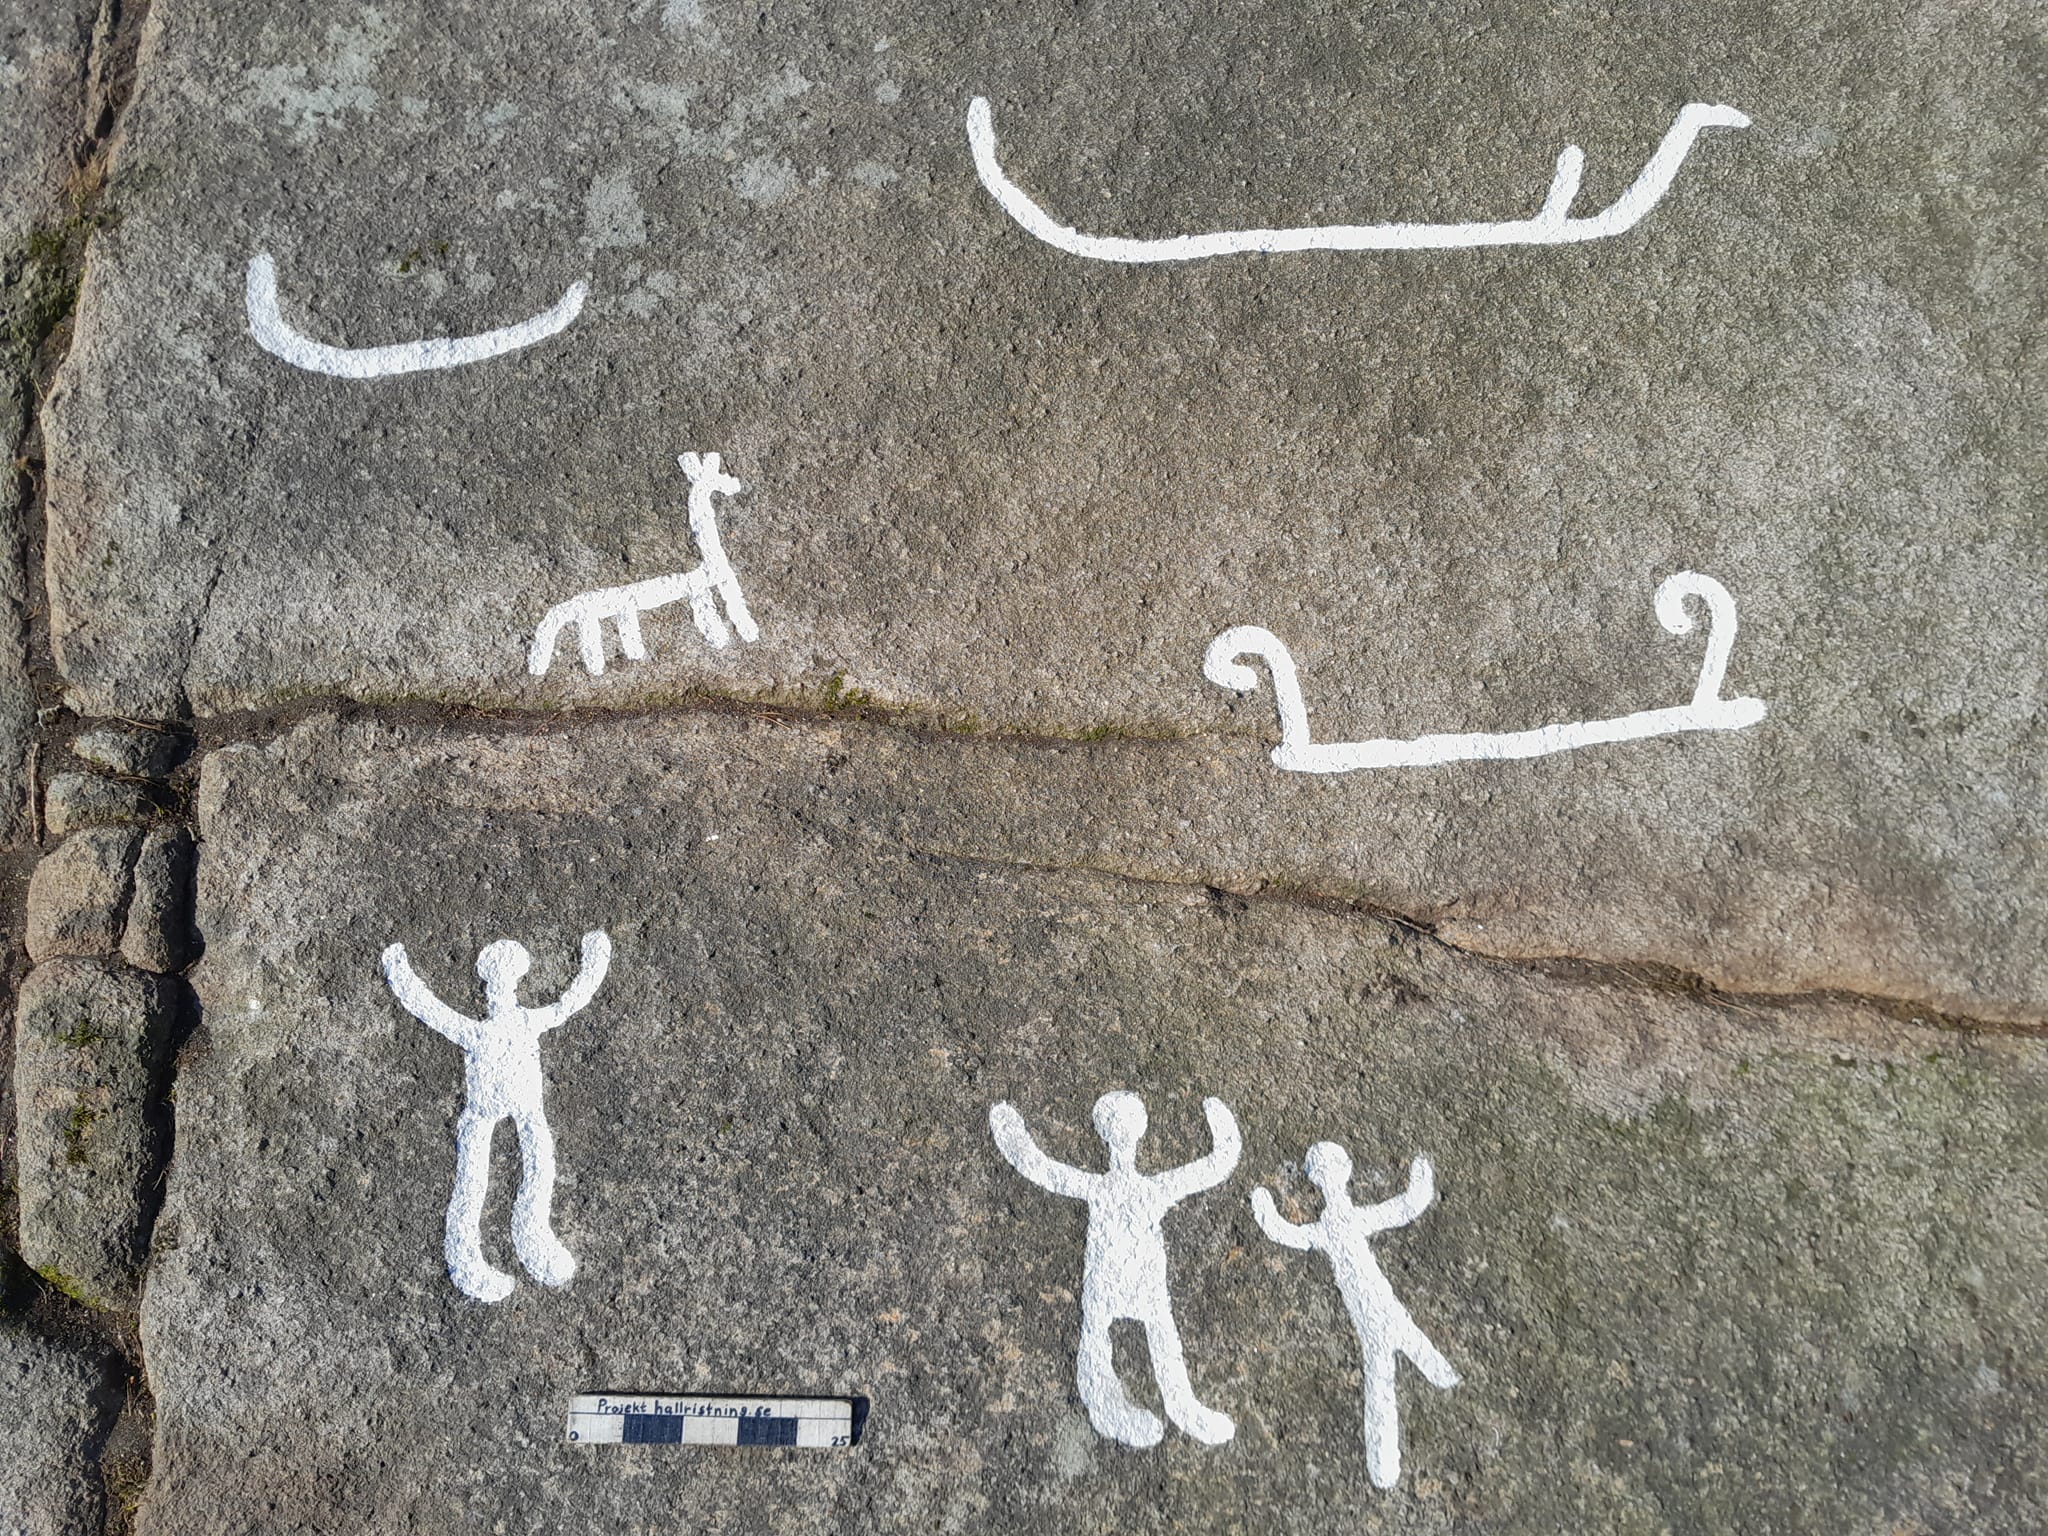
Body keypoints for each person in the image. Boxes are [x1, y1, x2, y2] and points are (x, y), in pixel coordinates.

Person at [989, 1091, 1240, 1446]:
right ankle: (1117, 1410)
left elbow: (1042, 1166)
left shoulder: (1135, 1188)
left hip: (1139, 1280)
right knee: (1107, 1336)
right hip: (1111, 1279)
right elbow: (1040, 1166)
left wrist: (1009, 1128)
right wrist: (1009, 1128)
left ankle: (1183, 1408)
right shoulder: (1136, 1188)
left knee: (1150, 1336)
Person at [381, 931, 611, 1302]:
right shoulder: (487, 1030)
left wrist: (596, 957)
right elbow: (430, 1009)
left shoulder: (514, 1025)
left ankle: (533, 1242)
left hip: (518, 1110)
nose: (502, 991)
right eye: (498, 983)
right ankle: (473, 1263)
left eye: (507, 983)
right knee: (477, 1181)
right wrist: (398, 968)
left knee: (532, 1169)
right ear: (491, 986)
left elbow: (570, 1002)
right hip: (484, 1111)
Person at [1252, 1142, 1459, 1487]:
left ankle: (1443, 1393)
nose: (1328, 1175)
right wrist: (1265, 1209)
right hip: (1369, 1315)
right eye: (1321, 1170)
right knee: (1385, 1370)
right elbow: (1289, 1233)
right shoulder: (1327, 1228)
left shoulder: (1351, 1219)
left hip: (1385, 1307)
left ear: (1345, 1169)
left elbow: (1403, 1207)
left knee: (1420, 1358)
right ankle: (1383, 1466)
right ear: (1315, 1179)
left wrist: (1421, 1177)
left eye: (1332, 1166)